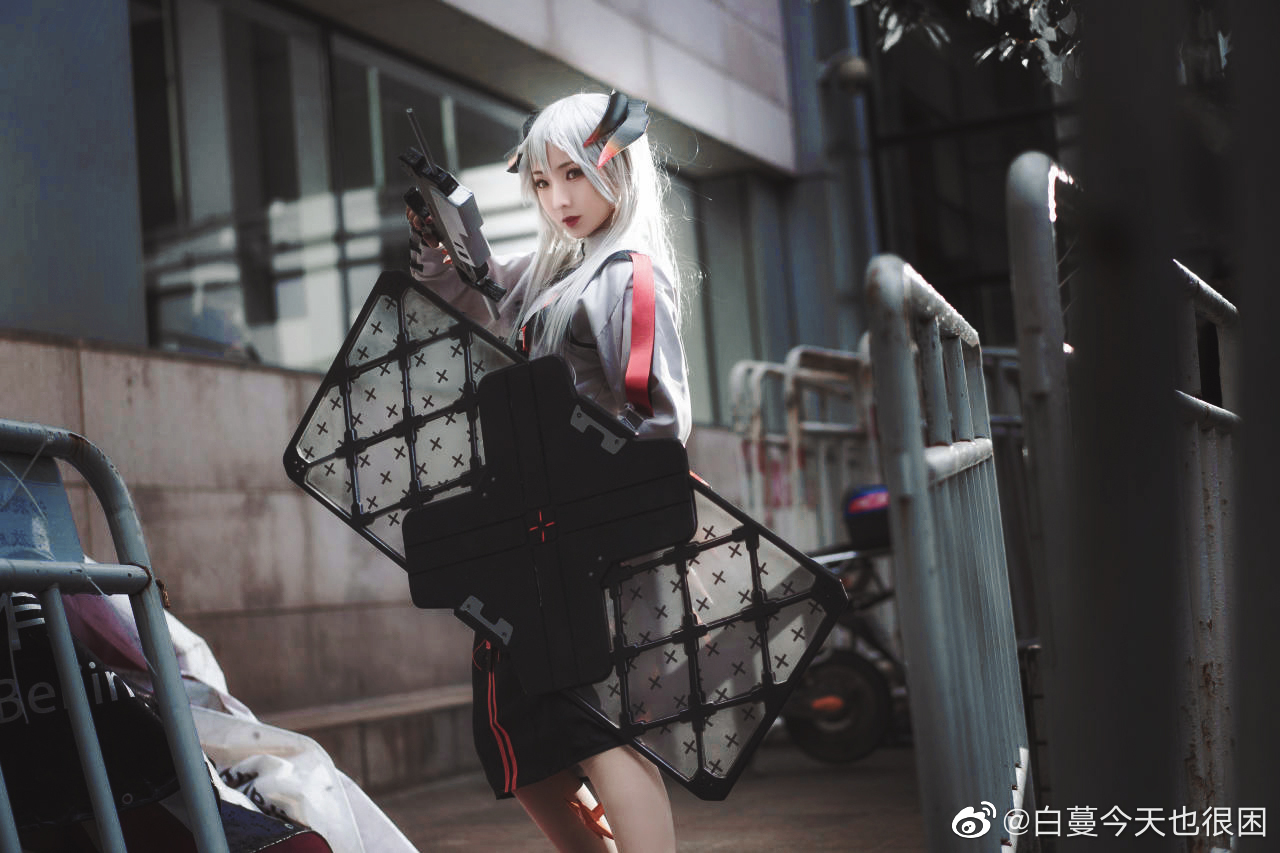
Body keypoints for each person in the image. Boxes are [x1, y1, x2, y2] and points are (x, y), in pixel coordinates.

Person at [406, 91, 690, 853]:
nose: (558, 198)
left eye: (573, 174)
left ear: (617, 170)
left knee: (595, 720)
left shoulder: (626, 276)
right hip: (537, 536)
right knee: (517, 731)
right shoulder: (561, 270)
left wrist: (602, 511)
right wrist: (443, 245)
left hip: (589, 545)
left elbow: (661, 424)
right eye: (541, 180)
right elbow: (483, 296)